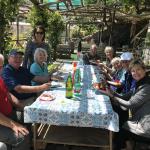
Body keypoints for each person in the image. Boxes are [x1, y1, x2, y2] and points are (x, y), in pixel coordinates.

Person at [100, 59, 150, 150]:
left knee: (123, 129)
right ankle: (114, 140)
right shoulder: (140, 83)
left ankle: (117, 145)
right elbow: (124, 97)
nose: (135, 73)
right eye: (133, 71)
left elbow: (130, 104)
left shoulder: (147, 86)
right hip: (139, 120)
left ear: (144, 69)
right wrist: (110, 91)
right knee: (118, 111)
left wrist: (112, 96)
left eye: (138, 69)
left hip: (145, 127)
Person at [0, 54, 30, 150]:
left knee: (30, 117)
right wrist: (13, 124)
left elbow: (8, 94)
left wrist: (23, 107)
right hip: (2, 120)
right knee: (22, 137)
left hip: (8, 115)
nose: (0, 69)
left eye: (1, 66)